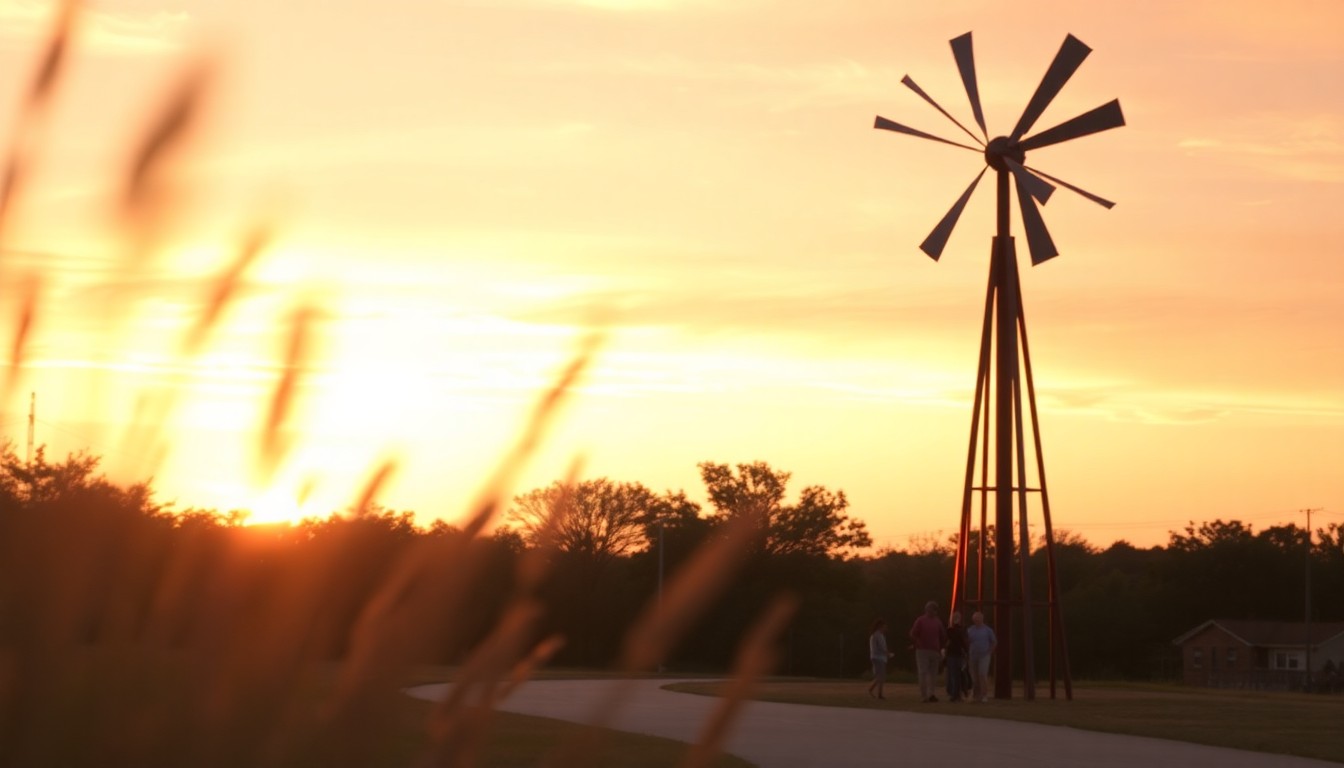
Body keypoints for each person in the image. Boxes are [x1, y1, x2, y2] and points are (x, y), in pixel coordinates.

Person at [908, 601, 947, 702]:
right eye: (931, 609)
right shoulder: (920, 620)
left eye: (934, 609)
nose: (933, 611)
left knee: (933, 673)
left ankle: (932, 694)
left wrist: (941, 647)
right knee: (923, 672)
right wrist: (917, 642)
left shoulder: (937, 621)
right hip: (922, 650)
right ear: (927, 610)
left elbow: (943, 635)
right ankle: (924, 695)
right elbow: (913, 633)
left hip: (935, 650)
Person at [966, 610, 997, 703]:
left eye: (978, 619)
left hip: (984, 656)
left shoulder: (988, 630)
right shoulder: (970, 630)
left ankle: (984, 695)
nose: (976, 620)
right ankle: (976, 695)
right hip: (973, 656)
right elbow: (967, 642)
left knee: (982, 675)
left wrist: (990, 652)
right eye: (975, 619)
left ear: (982, 619)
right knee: (975, 677)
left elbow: (994, 642)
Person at [944, 610, 968, 702]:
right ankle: (954, 694)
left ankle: (960, 693)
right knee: (953, 675)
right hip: (951, 654)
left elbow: (964, 642)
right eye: (954, 618)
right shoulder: (949, 630)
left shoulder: (962, 630)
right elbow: (947, 640)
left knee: (961, 675)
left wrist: (966, 652)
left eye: (957, 618)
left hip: (959, 654)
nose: (956, 619)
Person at [867, 618, 894, 699]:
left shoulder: (880, 635)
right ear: (880, 626)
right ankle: (878, 693)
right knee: (880, 676)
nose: (885, 628)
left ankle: (874, 691)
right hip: (878, 657)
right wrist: (888, 654)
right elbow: (881, 647)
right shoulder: (877, 635)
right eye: (884, 626)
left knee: (880, 676)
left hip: (879, 657)